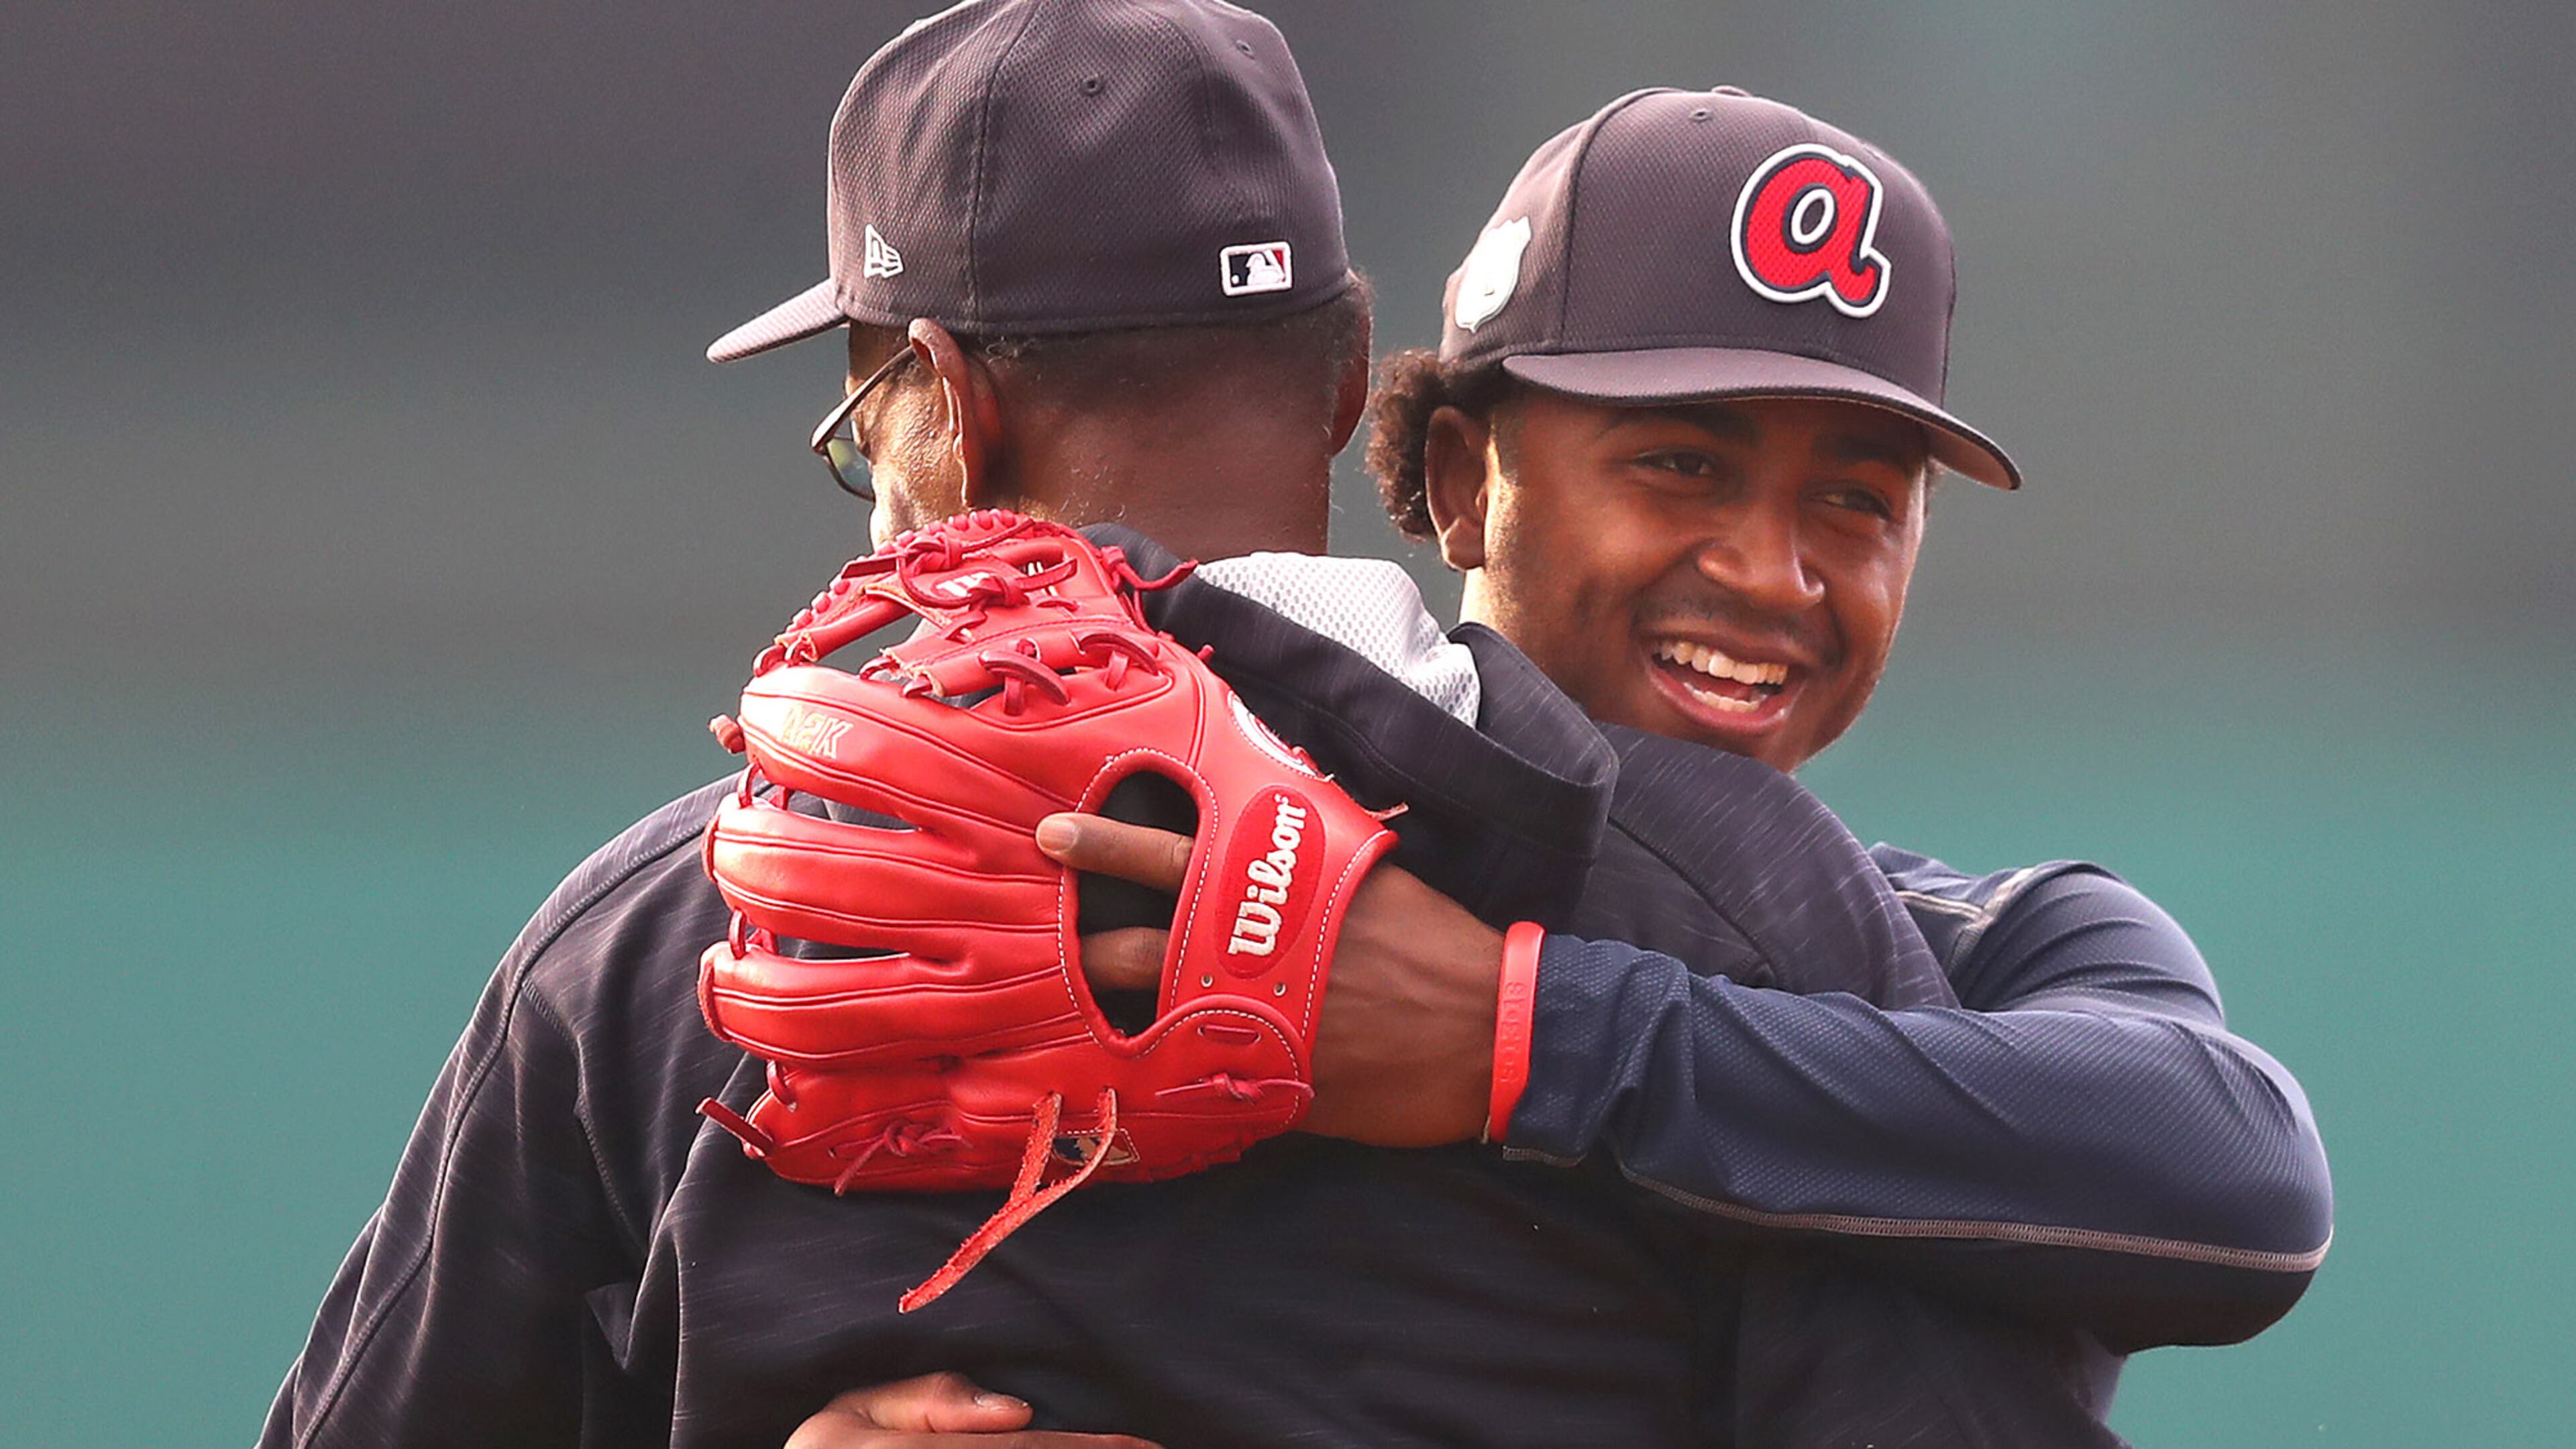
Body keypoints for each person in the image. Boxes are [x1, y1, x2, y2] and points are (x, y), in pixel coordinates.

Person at [259, 6, 2325, 1446]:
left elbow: (2231, 1178)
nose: (1771, 574)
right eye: (1683, 466)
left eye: (1855, 508)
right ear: (1403, 430)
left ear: (945, 409)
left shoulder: (680, 929)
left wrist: (1517, 1034)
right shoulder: (1781, 930)